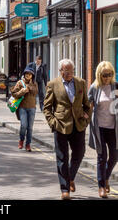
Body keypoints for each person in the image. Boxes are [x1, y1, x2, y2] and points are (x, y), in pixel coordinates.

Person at [43, 59, 92, 200]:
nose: (70, 73)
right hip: (60, 125)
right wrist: (53, 123)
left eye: (72, 71)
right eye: (67, 71)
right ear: (61, 71)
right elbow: (46, 108)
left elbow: (87, 105)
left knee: (80, 153)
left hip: (78, 125)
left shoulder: (81, 82)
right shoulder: (53, 85)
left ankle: (70, 177)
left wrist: (87, 119)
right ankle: (65, 189)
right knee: (62, 157)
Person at [88, 61, 118, 198]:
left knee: (114, 156)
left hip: (114, 127)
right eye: (105, 75)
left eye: (110, 74)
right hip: (99, 127)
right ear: (99, 74)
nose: (107, 77)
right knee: (102, 157)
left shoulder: (115, 86)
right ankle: (101, 186)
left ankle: (105, 177)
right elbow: (88, 105)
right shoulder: (94, 87)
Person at [11, 65, 38, 151]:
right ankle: (21, 140)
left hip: (32, 108)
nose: (28, 75)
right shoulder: (20, 83)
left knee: (30, 127)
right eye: (27, 74)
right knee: (23, 126)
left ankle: (28, 144)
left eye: (30, 74)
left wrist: (30, 87)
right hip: (22, 107)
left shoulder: (34, 83)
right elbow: (14, 94)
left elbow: (35, 93)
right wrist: (22, 91)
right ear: (24, 74)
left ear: (32, 75)